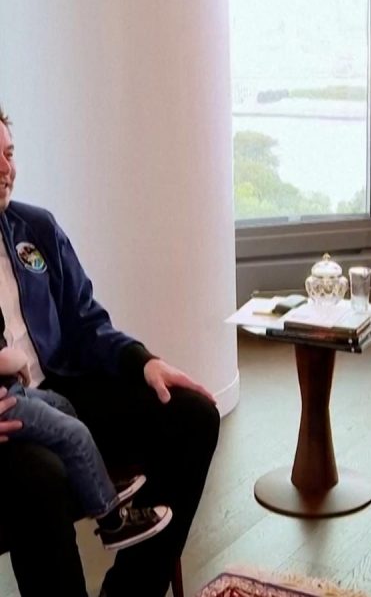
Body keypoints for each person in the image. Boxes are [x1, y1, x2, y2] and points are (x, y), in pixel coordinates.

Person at [0, 106, 220, 597]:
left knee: (194, 416)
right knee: (41, 477)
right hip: (9, 424)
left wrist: (144, 362)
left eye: (10, 155)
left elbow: (85, 322)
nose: (5, 169)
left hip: (60, 390)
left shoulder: (36, 228)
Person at [0, 339, 173, 551]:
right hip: (6, 401)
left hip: (11, 387)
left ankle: (92, 483)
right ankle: (112, 523)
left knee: (62, 405)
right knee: (74, 434)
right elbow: (6, 359)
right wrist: (18, 360)